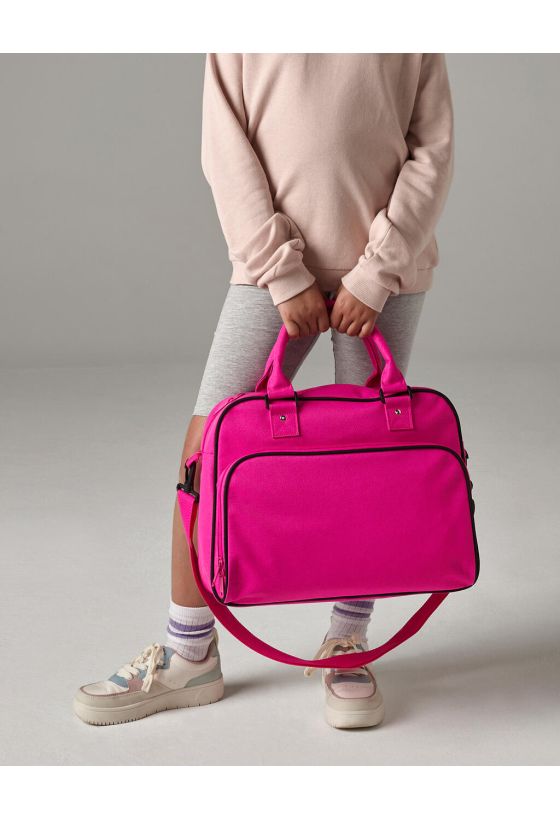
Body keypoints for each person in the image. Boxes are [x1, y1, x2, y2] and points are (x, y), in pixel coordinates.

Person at [73, 53, 454, 729]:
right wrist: (282, 271)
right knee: (206, 448)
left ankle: (348, 640)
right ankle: (189, 651)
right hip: (274, 260)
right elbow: (226, 149)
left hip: (386, 272)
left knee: (369, 463)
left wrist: (377, 272)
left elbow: (433, 148)